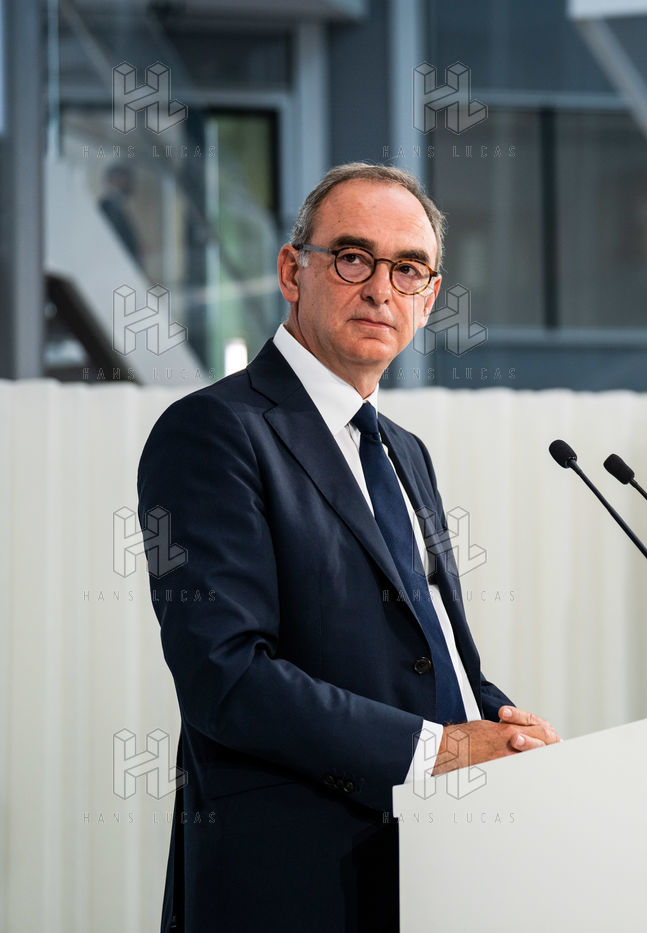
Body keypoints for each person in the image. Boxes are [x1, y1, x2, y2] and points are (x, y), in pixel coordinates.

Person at [137, 162, 560, 932]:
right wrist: (437, 749)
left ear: (430, 297)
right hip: (291, 882)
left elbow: (425, 648)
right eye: (353, 258)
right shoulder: (213, 430)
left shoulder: (405, 450)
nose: (380, 290)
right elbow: (224, 675)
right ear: (291, 272)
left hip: (435, 866)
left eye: (408, 269)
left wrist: (500, 723)